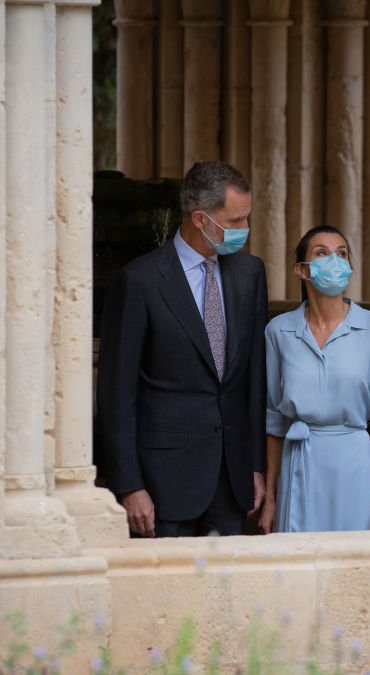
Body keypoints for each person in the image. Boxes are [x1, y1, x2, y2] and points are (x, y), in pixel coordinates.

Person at [97, 161, 267, 537]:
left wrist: (254, 465)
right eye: (236, 221)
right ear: (201, 219)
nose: (245, 231)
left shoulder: (249, 274)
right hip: (163, 484)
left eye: (247, 219)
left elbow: (254, 378)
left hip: (231, 482)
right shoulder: (139, 282)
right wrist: (129, 486)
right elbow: (116, 393)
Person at [258, 226, 370, 533]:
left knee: (357, 568)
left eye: (342, 254)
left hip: (355, 464)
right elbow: (273, 422)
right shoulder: (277, 332)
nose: (334, 261)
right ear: (301, 270)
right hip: (299, 462)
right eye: (321, 253)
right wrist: (270, 498)